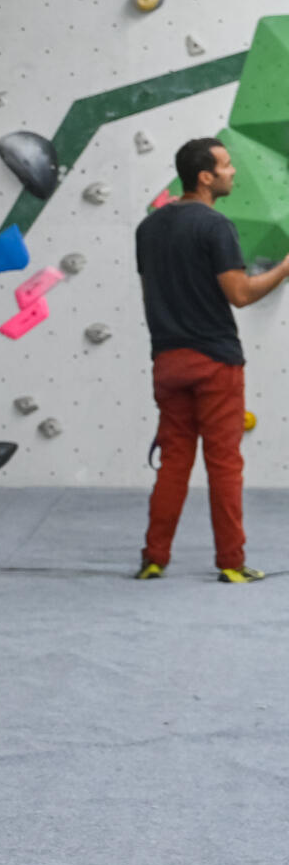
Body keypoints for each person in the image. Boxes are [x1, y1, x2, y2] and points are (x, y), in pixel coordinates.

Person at [134, 137, 289, 583]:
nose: (233, 171)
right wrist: (281, 270)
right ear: (205, 177)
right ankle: (231, 562)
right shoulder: (215, 226)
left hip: (167, 360)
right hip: (215, 361)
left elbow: (151, 296)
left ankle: (154, 558)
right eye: (225, 165)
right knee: (224, 464)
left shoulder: (149, 229)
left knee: (174, 462)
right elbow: (240, 295)